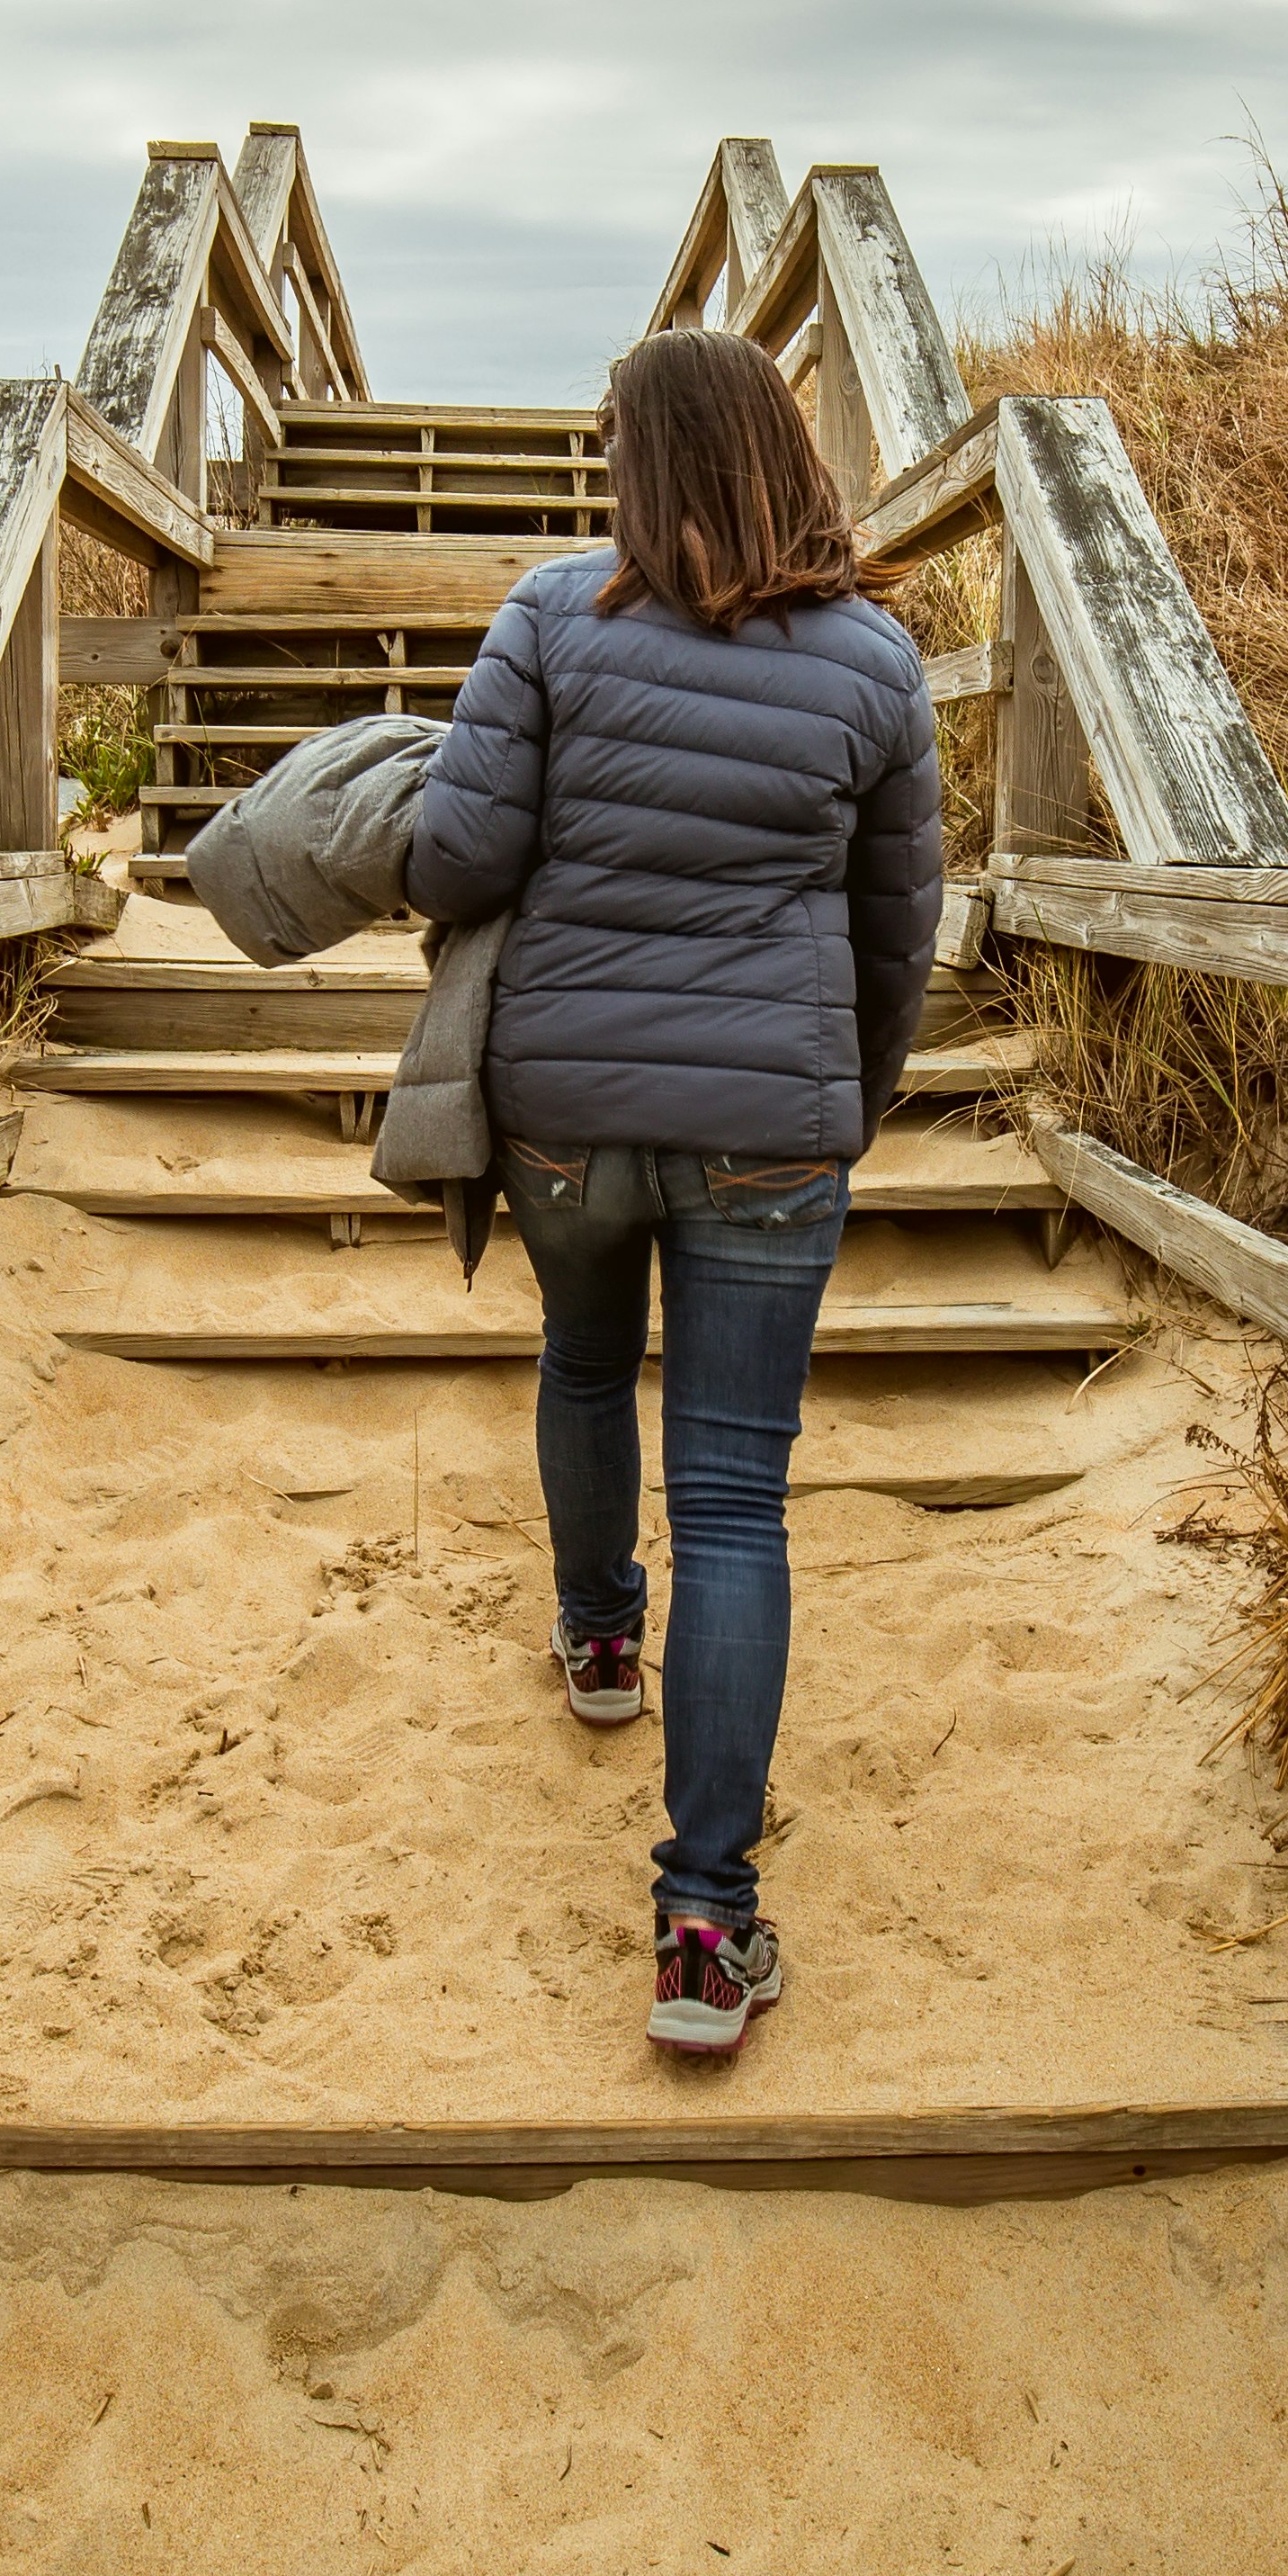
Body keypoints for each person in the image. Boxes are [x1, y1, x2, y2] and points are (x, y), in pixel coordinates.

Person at [407, 326, 941, 2059]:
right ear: (785, 453)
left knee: (577, 1363)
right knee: (734, 1499)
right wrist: (832, 1106)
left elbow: (459, 858)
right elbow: (895, 928)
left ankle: (593, 1643)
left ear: (638, 465)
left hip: (564, 1102)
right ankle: (706, 1926)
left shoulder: (552, 615)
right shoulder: (876, 661)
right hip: (771, 1125)